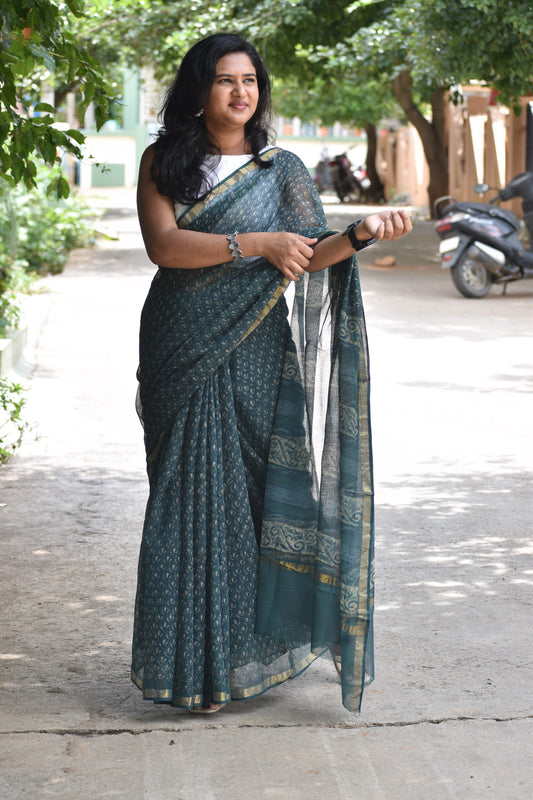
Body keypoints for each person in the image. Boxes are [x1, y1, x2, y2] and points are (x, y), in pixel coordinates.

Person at [132, 32, 411, 715]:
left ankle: (234, 658)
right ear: (199, 89)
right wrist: (253, 243)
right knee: (185, 500)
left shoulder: (278, 167)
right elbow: (164, 247)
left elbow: (310, 254)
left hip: (256, 347)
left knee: (249, 499)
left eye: (250, 80)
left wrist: (361, 234)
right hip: (181, 343)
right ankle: (191, 667)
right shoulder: (164, 161)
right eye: (225, 80)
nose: (240, 92)